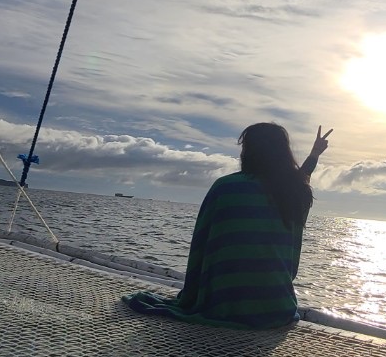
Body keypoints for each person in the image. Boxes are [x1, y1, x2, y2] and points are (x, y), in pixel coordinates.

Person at [122, 124, 332, 328]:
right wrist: (315, 154)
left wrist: (192, 296)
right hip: (277, 307)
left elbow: (201, 245)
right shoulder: (295, 193)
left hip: (225, 305)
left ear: (248, 151)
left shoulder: (226, 187)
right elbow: (300, 179)